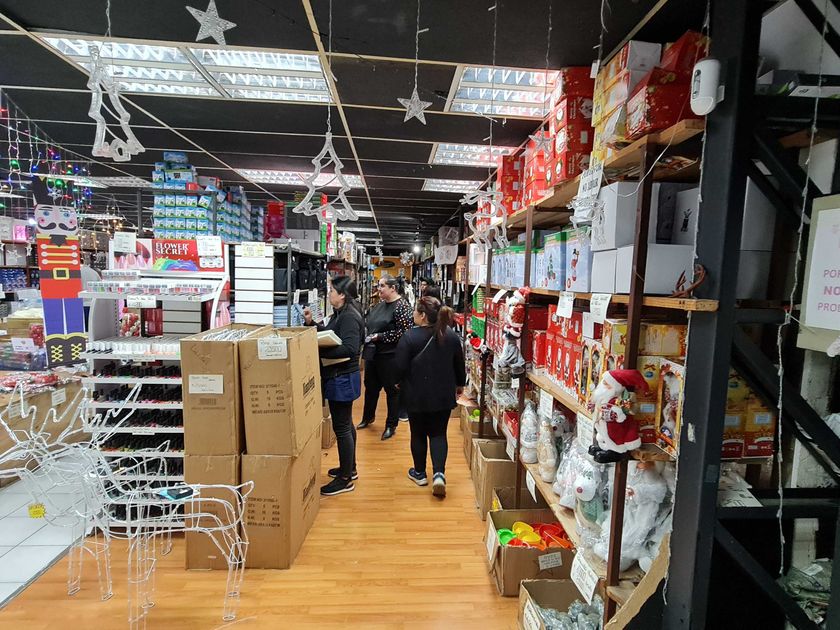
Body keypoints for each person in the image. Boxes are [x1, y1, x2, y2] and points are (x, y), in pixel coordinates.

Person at [394, 296, 466, 497]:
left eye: (416, 311)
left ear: (423, 315)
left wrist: (397, 382)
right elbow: (459, 365)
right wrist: (460, 385)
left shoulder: (409, 337)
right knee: (438, 433)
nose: (413, 314)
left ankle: (419, 473)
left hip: (415, 395)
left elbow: (399, 366)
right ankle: (439, 474)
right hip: (442, 395)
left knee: (417, 433)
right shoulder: (450, 336)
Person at [304, 276, 365, 497]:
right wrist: (312, 324)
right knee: (346, 424)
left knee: (342, 427)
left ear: (342, 295)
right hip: (340, 376)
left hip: (343, 377)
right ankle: (350, 468)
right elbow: (330, 334)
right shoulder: (341, 313)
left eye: (332, 291)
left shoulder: (349, 317)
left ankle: (345, 479)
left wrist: (317, 348)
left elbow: (350, 348)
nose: (329, 294)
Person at [359, 273, 412, 440]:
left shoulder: (402, 306)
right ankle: (367, 417)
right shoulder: (380, 304)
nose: (379, 289)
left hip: (391, 356)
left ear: (393, 288)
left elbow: (404, 332)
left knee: (392, 391)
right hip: (374, 354)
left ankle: (391, 425)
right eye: (378, 285)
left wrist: (380, 337)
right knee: (370, 387)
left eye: (382, 286)